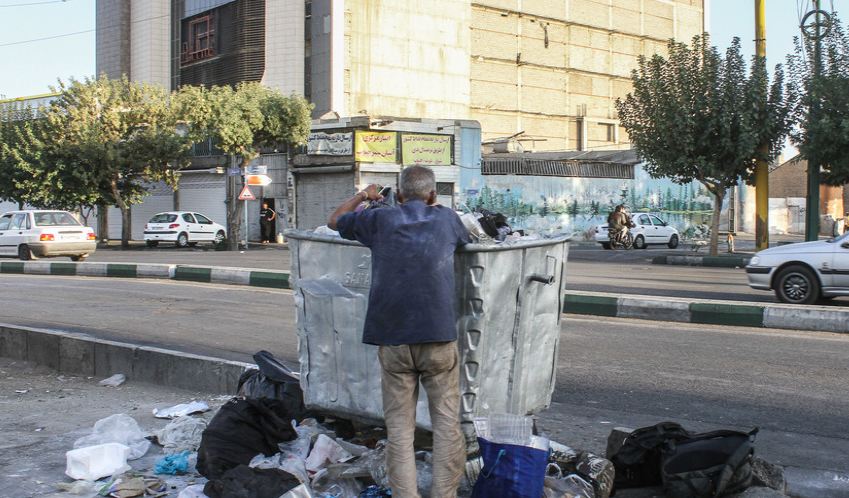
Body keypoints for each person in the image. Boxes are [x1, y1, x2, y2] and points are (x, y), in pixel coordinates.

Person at [328, 166, 471, 498]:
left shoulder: (379, 219)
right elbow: (468, 240)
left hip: (392, 338)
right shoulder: (448, 218)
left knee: (399, 430)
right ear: (432, 195)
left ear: (400, 195)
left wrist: (364, 195)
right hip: (437, 336)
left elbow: (335, 220)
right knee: (447, 425)